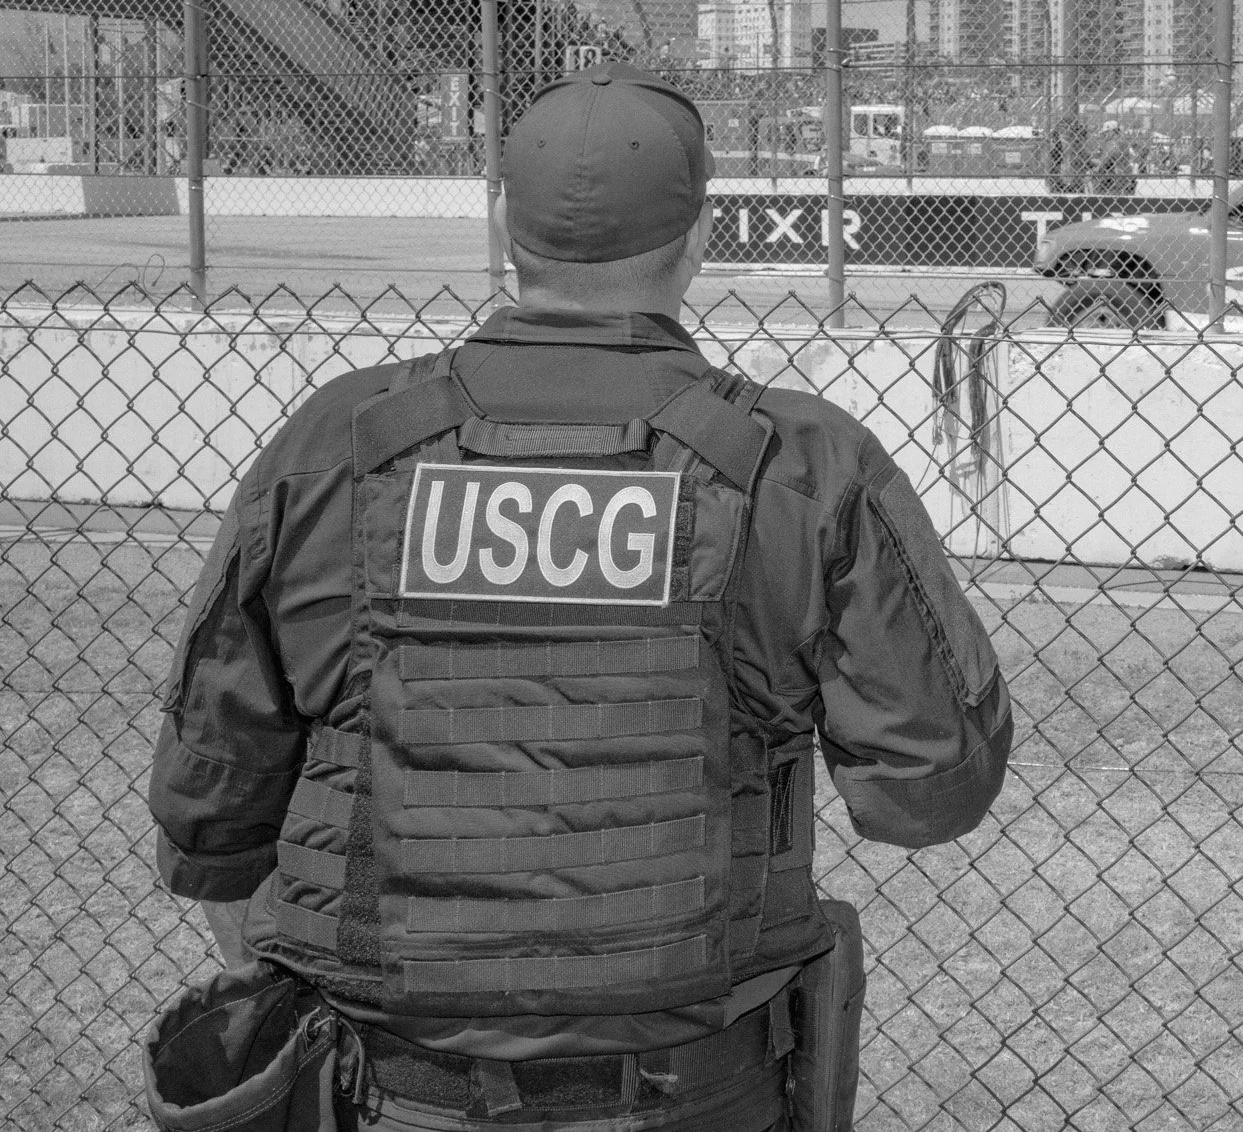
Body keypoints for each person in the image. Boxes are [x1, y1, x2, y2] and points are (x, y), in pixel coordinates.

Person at [149, 63, 1013, 1130]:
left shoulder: (337, 443)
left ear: (503, 223)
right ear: (698, 241)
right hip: (694, 1086)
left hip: (393, 1086)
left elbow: (210, 790)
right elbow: (930, 787)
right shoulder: (800, 466)